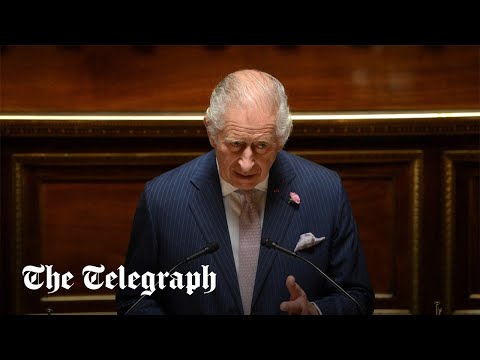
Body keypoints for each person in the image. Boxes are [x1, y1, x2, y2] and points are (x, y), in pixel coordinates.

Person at [116, 69, 374, 315]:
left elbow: (357, 296)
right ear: (211, 132)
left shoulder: (326, 191)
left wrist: (316, 311)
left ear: (281, 139)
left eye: (262, 146)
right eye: (236, 144)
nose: (247, 163)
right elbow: (134, 299)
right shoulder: (161, 199)